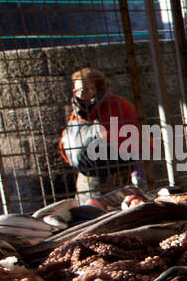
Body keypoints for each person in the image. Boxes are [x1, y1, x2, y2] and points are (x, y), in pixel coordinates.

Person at [58, 67, 145, 202]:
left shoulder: (119, 107)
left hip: (116, 177)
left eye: (85, 90)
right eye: (76, 90)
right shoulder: (77, 113)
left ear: (97, 89)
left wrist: (138, 177)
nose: (80, 95)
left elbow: (137, 143)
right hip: (87, 179)